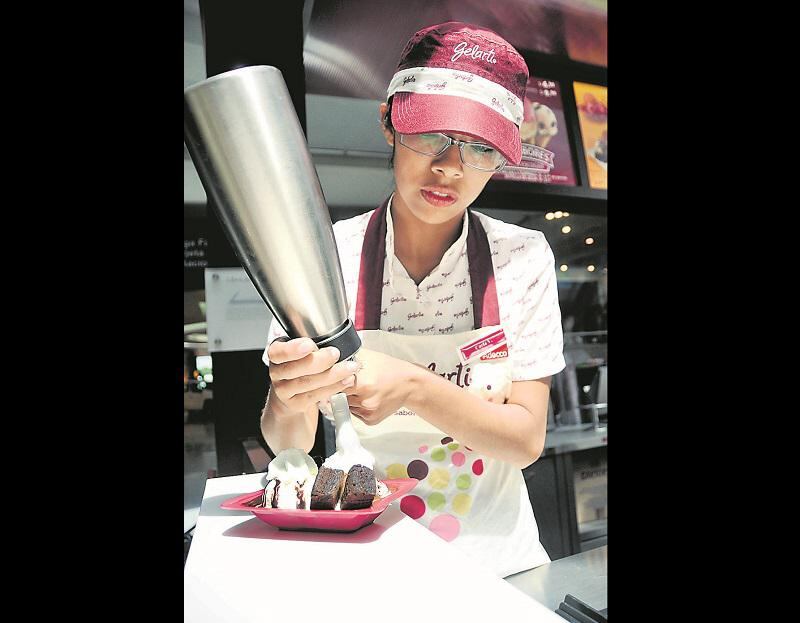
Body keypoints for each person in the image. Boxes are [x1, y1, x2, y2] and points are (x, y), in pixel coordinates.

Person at [260, 21, 566, 577]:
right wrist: (288, 396)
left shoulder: (522, 255)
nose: (449, 166)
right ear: (388, 123)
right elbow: (291, 439)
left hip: (501, 565)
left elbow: (525, 439)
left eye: (479, 148)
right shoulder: (328, 254)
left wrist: (413, 386)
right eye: (431, 136)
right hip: (373, 563)